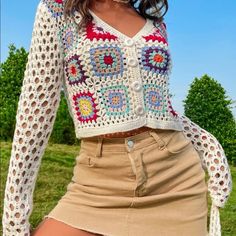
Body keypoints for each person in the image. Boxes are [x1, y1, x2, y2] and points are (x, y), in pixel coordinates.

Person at [2, 0, 232, 235]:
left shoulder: (156, 25)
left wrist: (206, 143)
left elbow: (159, 107)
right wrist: (14, 213)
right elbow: (36, 109)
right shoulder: (58, 11)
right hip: (97, 179)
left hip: (174, 178)